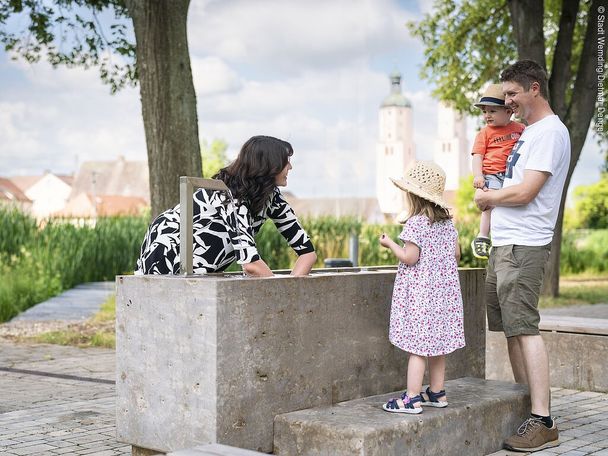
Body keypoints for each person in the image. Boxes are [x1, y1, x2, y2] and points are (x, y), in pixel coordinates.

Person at [475, 60, 570, 452]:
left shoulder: (549, 132)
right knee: (512, 329)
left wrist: (488, 197)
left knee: (525, 328)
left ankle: (543, 419)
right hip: (505, 244)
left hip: (524, 246)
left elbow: (527, 191)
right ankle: (526, 406)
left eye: (512, 93)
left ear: (534, 88)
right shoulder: (530, 132)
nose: (506, 100)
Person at [136, 135, 317, 277]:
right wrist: (281, 297)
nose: (290, 167)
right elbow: (251, 265)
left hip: (201, 270)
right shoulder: (229, 193)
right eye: (286, 162)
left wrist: (291, 291)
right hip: (167, 254)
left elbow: (308, 253)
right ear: (269, 165)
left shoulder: (272, 196)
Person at [379, 160, 465, 414]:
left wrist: (390, 244)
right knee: (437, 347)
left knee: (417, 348)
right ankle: (437, 393)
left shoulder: (416, 224)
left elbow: (410, 257)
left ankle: (412, 398)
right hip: (444, 297)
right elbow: (456, 255)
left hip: (422, 297)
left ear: (413, 196)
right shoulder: (447, 224)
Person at [470, 83, 525, 259]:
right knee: (489, 205)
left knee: (509, 205)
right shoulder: (484, 133)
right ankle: (483, 237)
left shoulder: (520, 129)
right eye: (485, 111)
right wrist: (478, 175)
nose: (487, 115)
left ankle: (507, 237)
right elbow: (477, 156)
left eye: (492, 111)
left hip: (511, 175)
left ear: (509, 111)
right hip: (492, 175)